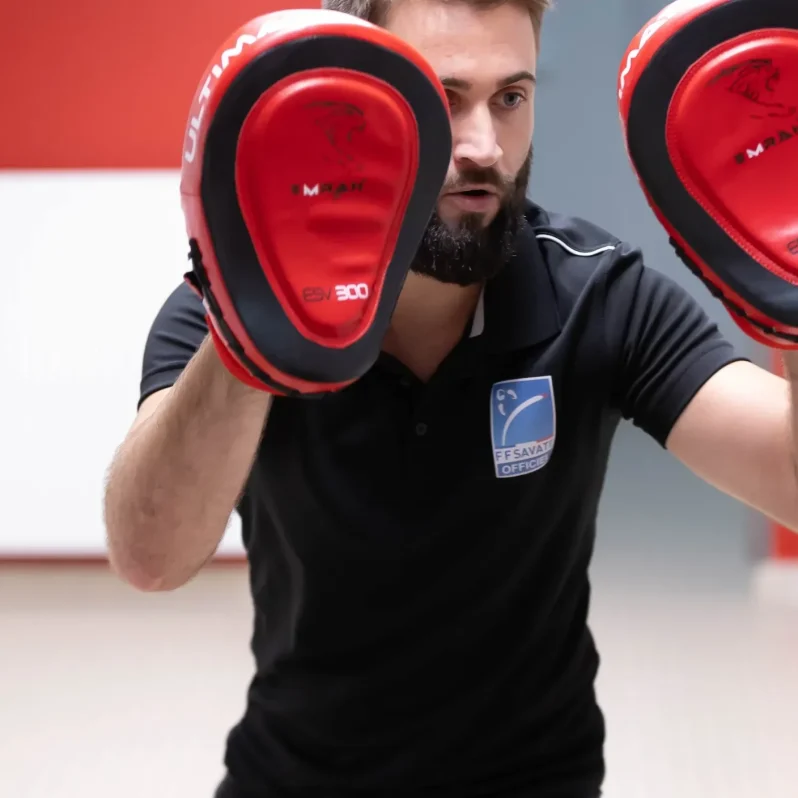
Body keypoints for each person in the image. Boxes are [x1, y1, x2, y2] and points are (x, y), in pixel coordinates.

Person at [102, 0, 798, 796]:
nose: (483, 148)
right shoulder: (222, 312)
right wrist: (257, 325)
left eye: (511, 97)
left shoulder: (596, 293)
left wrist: (794, 310)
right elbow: (150, 559)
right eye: (441, 100)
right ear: (360, 103)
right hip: (294, 779)